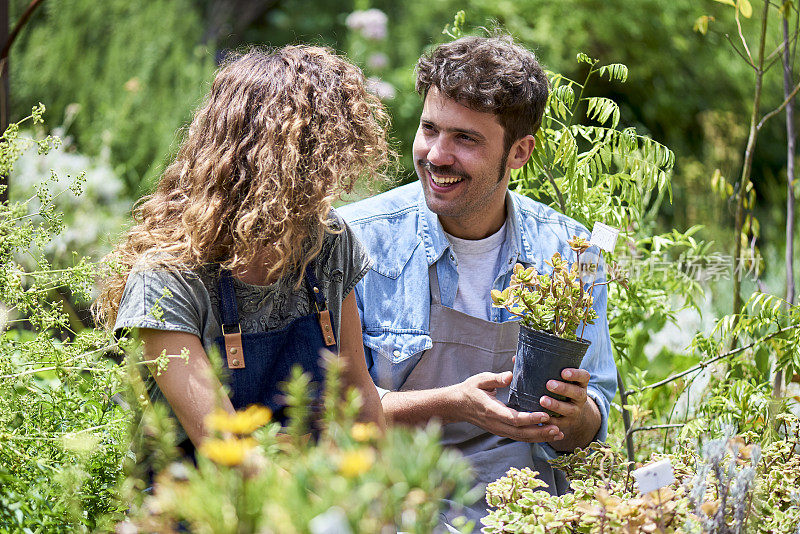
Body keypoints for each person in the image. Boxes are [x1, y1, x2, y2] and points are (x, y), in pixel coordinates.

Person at [339, 35, 617, 524]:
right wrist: (453, 406)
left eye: (465, 138)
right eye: (429, 129)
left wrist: (578, 417)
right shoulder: (355, 240)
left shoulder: (575, 254)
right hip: (389, 505)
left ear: (519, 152)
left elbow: (597, 415)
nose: (436, 155)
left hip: (521, 511)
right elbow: (332, 410)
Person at [95, 46, 387, 453]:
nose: (337, 176)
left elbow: (358, 396)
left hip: (315, 486)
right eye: (324, 159)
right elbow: (227, 453)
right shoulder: (166, 280)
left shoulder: (327, 239)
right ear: (273, 164)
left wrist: (386, 501)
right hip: (198, 501)